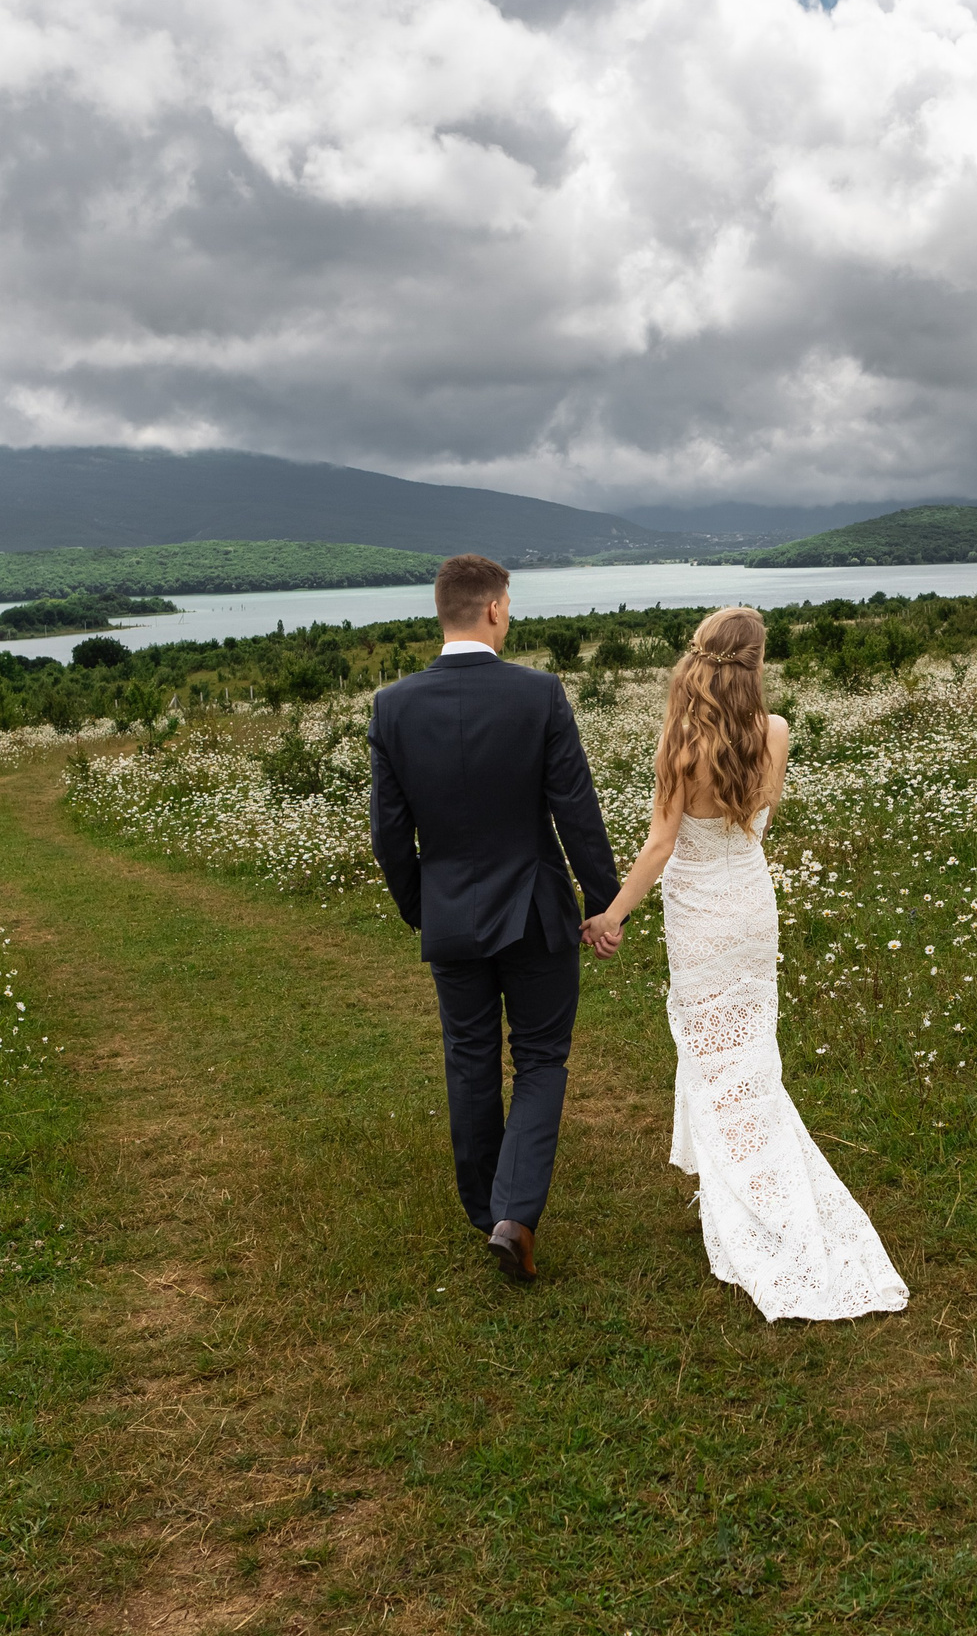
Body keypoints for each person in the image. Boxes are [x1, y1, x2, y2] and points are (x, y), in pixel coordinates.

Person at [581, 606, 908, 1322]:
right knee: (752, 1057)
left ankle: (748, 1198)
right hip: (751, 906)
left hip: (700, 915)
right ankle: (746, 1180)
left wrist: (611, 915)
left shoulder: (679, 739)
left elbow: (661, 847)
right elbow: (756, 824)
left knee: (710, 1057)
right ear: (755, 663)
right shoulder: (778, 733)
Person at [369, 554, 620, 1283]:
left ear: (442, 611)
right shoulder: (538, 694)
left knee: (470, 1058)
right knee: (541, 1060)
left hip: (450, 915)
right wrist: (602, 904)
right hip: (537, 915)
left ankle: (487, 1211)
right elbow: (576, 809)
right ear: (494, 610)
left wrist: (424, 908)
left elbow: (390, 833)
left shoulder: (394, 706)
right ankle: (513, 1215)